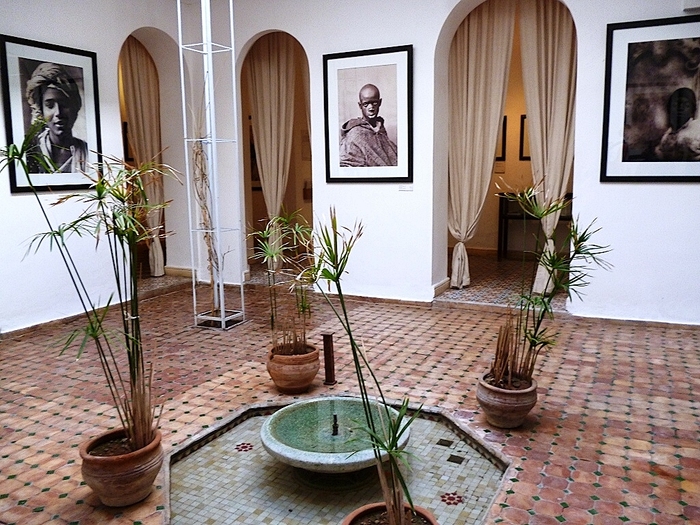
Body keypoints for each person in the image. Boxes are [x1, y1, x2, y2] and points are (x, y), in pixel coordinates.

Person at [25, 62, 88, 173]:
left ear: (74, 107)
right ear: (41, 111)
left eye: (64, 104)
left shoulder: (86, 151)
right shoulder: (32, 151)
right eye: (50, 106)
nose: (58, 112)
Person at [339, 83, 397, 167]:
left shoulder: (380, 129)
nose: (371, 108)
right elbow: (348, 167)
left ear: (380, 102)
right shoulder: (354, 135)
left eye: (374, 103)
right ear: (360, 105)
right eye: (366, 104)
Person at [655, 87, 700, 161]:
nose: (680, 108)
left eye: (686, 105)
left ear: (692, 110)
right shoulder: (666, 135)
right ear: (670, 109)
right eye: (676, 104)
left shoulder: (697, 130)